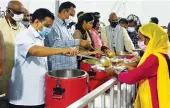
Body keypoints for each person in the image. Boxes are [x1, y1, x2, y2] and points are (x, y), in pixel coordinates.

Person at [9, 8, 78, 108]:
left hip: (38, 95)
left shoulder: (40, 37)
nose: (49, 29)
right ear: (36, 22)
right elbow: (35, 51)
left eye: (50, 26)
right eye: (47, 26)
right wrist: (62, 50)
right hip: (24, 98)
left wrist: (63, 53)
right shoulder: (24, 35)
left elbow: (44, 52)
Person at [106, 23, 170, 108]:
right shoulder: (161, 55)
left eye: (140, 38)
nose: (139, 41)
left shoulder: (154, 58)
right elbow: (144, 72)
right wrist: (129, 67)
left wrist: (114, 73)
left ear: (149, 39)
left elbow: (132, 77)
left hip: (153, 102)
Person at [45, 2, 90, 71]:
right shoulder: (53, 24)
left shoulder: (65, 25)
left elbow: (68, 42)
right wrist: (78, 42)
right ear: (64, 12)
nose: (71, 18)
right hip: (59, 67)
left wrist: (75, 51)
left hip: (69, 66)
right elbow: (55, 44)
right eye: (70, 15)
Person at [0, 1, 25, 107]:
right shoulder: (0, 25)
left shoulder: (22, 27)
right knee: (3, 99)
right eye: (17, 12)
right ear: (8, 11)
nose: (20, 15)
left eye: (21, 13)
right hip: (2, 70)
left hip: (19, 71)